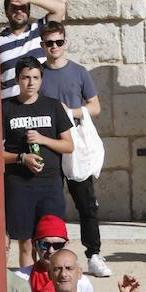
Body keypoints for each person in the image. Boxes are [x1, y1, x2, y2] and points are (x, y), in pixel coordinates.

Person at [38, 20, 109, 277]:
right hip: (48, 144)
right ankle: (52, 257)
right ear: (42, 45)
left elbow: (95, 106)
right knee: (51, 203)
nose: (54, 47)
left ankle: (94, 255)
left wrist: (71, 112)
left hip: (77, 144)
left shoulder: (79, 72)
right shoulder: (39, 73)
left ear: (65, 43)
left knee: (86, 202)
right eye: (49, 43)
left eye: (58, 42)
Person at [2, 58, 74, 267]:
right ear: (17, 79)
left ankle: (50, 291)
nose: (30, 83)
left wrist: (43, 139)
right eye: (25, 77)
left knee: (51, 241)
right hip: (19, 184)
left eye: (35, 77)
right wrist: (21, 158)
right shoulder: (6, 108)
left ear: (42, 80)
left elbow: (68, 145)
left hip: (50, 184)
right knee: (25, 243)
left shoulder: (53, 106)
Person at [0, 0, 66, 99]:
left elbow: (60, 8)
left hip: (41, 103)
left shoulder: (39, 30)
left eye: (23, 8)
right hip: (12, 106)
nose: (19, 12)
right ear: (6, 12)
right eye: (14, 8)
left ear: (28, 12)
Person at [14, 214, 95, 292]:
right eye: (44, 245)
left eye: (57, 245)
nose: (51, 250)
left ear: (66, 245)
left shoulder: (81, 282)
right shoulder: (20, 279)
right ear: (35, 245)